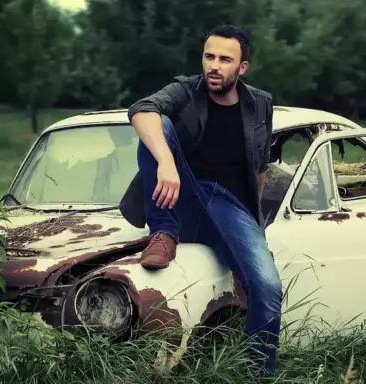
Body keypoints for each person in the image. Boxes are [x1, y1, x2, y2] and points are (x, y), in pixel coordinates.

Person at [119, 24, 282, 375]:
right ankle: (164, 232)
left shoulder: (260, 104)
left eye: (225, 59)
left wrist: (254, 228)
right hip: (182, 195)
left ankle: (258, 375)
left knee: (268, 287)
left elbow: (261, 168)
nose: (214, 66)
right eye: (209, 57)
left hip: (228, 207)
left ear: (242, 67)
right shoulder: (185, 90)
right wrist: (166, 163)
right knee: (157, 125)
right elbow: (141, 111)